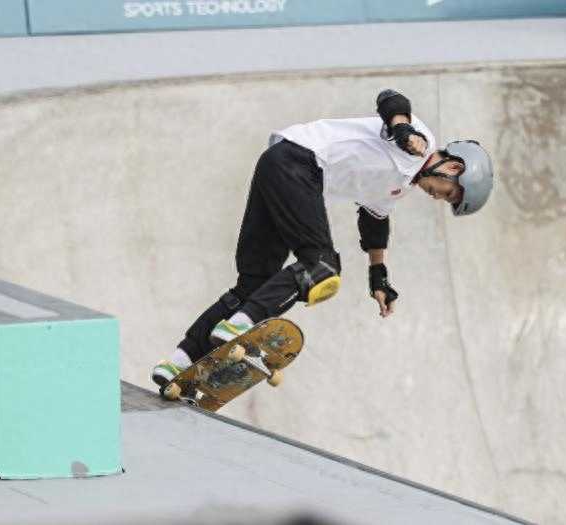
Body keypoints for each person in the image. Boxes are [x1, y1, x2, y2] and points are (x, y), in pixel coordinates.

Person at [151, 89, 494, 391]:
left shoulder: (399, 186)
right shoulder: (420, 144)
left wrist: (378, 276)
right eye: (449, 194)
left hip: (277, 166)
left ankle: (180, 360)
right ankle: (242, 324)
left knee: (255, 282)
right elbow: (391, 99)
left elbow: (374, 220)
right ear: (454, 168)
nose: (439, 198)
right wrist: (403, 129)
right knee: (322, 268)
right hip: (300, 162)